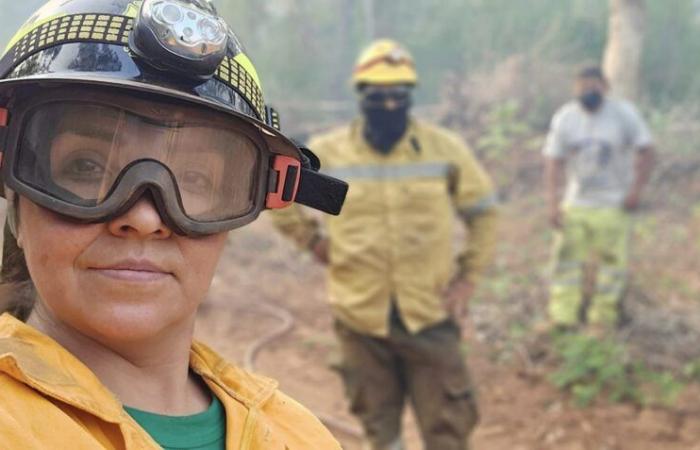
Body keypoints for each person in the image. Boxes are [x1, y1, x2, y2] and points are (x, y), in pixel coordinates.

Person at [0, 0, 348, 449]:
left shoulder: (298, 436)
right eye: (86, 167)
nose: (145, 218)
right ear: (15, 193)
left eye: (194, 179)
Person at [271, 39, 499, 450]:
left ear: (411, 96)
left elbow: (483, 212)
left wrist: (467, 279)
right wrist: (313, 242)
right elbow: (282, 196)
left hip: (429, 316)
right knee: (380, 431)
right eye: (379, 96)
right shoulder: (328, 152)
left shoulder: (444, 150)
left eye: (399, 95)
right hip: (360, 320)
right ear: (362, 96)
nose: (390, 105)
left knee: (449, 430)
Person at [543, 66, 655, 330]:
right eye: (583, 86)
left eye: (595, 86)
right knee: (566, 263)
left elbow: (647, 151)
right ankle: (562, 318)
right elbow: (553, 161)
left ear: (605, 87)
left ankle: (602, 321)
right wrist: (552, 202)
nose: (589, 92)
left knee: (612, 266)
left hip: (614, 204)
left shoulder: (624, 115)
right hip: (576, 204)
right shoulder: (565, 118)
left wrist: (635, 191)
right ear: (575, 88)